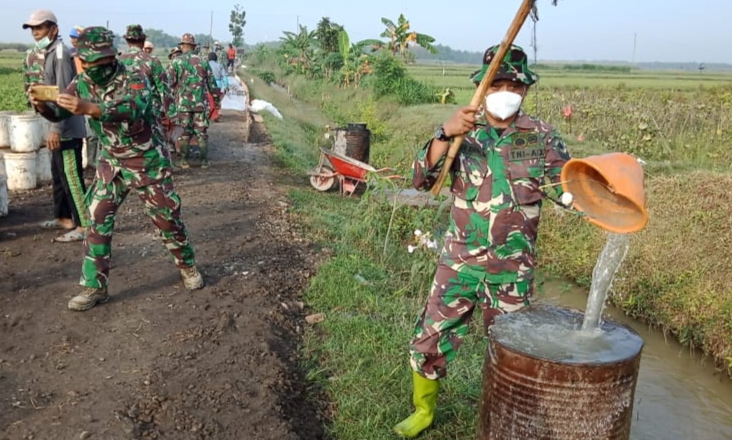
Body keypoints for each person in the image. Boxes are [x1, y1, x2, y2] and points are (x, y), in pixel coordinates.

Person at [392, 44, 572, 438]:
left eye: (514, 85)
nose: (506, 91)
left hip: (513, 271)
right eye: (498, 83)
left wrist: (586, 192)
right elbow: (420, 179)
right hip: (459, 263)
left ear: (524, 91)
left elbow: (565, 185)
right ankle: (423, 411)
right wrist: (444, 133)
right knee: (429, 340)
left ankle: (504, 419)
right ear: (484, 87)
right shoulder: (463, 133)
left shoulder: (540, 137)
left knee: (512, 354)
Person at [29, 26, 204, 311]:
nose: (91, 69)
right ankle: (94, 287)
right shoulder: (81, 81)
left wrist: (91, 109)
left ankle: (188, 267)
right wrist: (44, 106)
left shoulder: (132, 76)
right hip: (112, 163)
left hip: (146, 160)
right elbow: (59, 112)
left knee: (168, 221)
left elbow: (133, 107)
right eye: (87, 63)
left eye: (97, 63)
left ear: (110, 58)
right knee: (96, 220)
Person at [22, 9, 89, 243]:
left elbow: (64, 94)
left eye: (39, 27)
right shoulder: (49, 52)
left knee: (71, 177)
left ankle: (83, 225)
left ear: (54, 29)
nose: (35, 32)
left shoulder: (60, 53)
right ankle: (63, 217)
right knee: (59, 175)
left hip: (66, 128)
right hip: (57, 124)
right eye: (32, 28)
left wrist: (56, 129)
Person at [167, 33, 219, 168]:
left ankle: (184, 161)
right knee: (201, 132)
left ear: (183, 46)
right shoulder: (203, 62)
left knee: (185, 132)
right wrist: (216, 100)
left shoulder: (176, 61)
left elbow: (168, 84)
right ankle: (204, 161)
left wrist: (169, 102)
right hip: (200, 104)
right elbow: (212, 85)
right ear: (193, 46)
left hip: (183, 105)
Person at [119, 24, 171, 136]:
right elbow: (164, 90)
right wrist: (172, 115)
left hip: (122, 111)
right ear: (143, 41)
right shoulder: (152, 60)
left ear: (127, 41)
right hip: (148, 113)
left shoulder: (118, 61)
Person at [207, 52, 227, 122]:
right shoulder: (219, 66)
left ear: (208, 58)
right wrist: (226, 86)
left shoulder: (205, 65)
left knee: (208, 100)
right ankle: (216, 113)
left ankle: (210, 114)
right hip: (217, 85)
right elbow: (224, 77)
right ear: (216, 58)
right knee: (217, 100)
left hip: (207, 85)